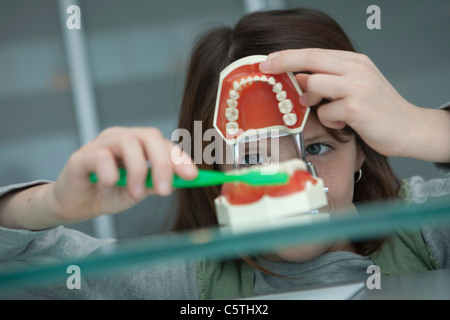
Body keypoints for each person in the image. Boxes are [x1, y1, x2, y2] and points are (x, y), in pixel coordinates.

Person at [0, 8, 449, 300]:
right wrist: (52, 204)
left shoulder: (428, 230)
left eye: (316, 147)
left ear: (363, 154)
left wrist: (431, 129)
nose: (289, 183)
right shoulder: (191, 284)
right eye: (252, 160)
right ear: (213, 164)